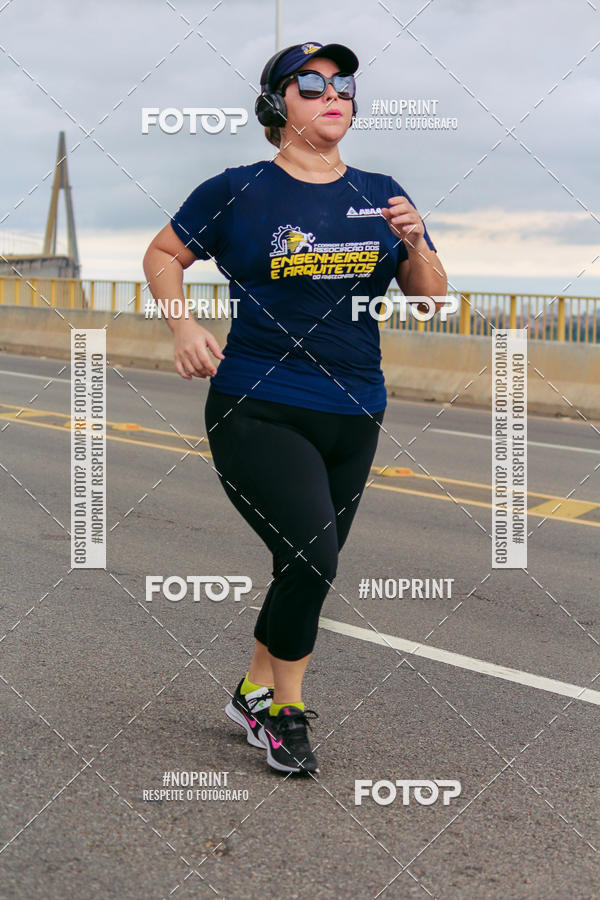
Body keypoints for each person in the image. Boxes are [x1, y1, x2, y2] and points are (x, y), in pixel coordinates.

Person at [143, 41, 447, 776]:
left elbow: (432, 296)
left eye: (342, 84)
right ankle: (281, 713)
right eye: (310, 84)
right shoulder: (237, 190)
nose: (331, 93)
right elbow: (162, 254)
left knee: (299, 561)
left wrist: (414, 241)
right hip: (259, 401)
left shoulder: (382, 190)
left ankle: (252, 688)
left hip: (355, 407)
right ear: (279, 105)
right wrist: (184, 324)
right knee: (315, 555)